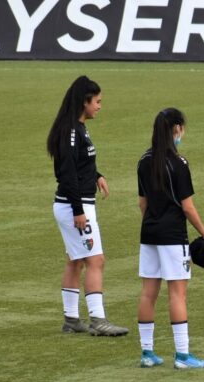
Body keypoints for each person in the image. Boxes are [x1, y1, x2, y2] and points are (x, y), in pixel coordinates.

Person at [48, 75, 128, 336]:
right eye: (97, 101)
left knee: (75, 260)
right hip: (75, 205)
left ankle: (71, 320)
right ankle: (98, 320)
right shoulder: (72, 130)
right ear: (84, 102)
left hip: (74, 203)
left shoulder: (77, 128)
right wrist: (78, 211)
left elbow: (80, 163)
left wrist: (96, 175)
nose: (99, 106)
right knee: (96, 260)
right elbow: (67, 172)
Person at [135, 108, 204, 368]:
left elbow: (142, 204)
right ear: (176, 129)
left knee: (148, 294)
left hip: (149, 234)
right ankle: (182, 356)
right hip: (172, 236)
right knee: (177, 295)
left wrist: (153, 223)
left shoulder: (144, 161)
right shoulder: (179, 164)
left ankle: (147, 353)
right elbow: (188, 207)